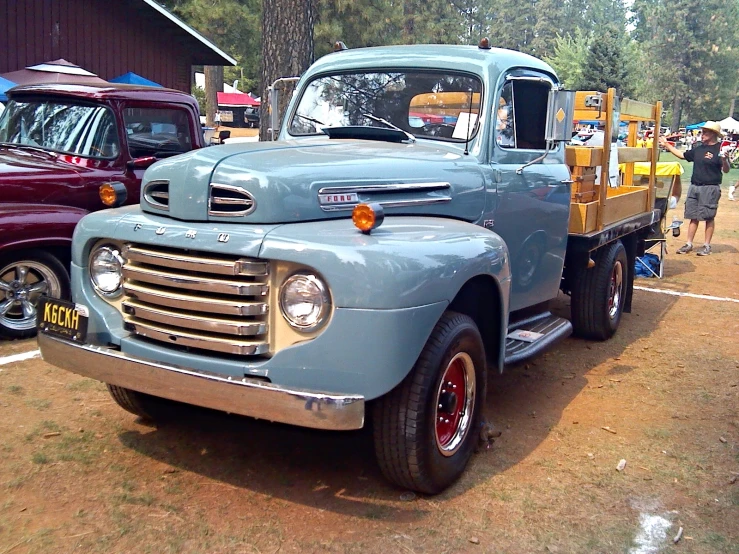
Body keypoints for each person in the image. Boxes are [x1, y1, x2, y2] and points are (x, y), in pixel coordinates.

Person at [659, 121, 729, 256]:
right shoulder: (699, 148)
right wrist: (667, 145)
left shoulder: (719, 149)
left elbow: (725, 170)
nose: (702, 135)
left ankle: (707, 245)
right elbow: (682, 155)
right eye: (702, 132)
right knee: (693, 216)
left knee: (708, 216)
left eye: (705, 132)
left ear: (713, 134)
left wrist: (725, 160)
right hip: (694, 186)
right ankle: (689, 243)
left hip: (710, 188)